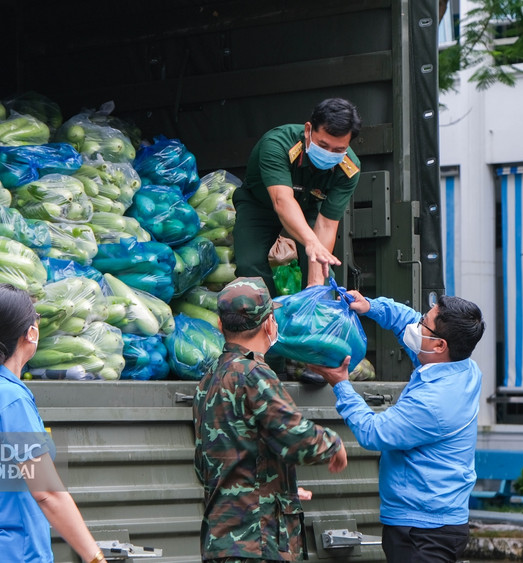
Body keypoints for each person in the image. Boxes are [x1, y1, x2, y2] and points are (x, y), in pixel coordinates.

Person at [309, 292, 485, 563]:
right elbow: (408, 322)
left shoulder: (433, 402)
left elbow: (373, 433)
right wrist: (371, 307)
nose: (416, 326)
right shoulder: (462, 368)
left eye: (423, 324)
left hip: (423, 531)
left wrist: (341, 385)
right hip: (431, 522)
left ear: (439, 345)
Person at [0, 283, 105, 563]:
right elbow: (48, 493)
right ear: (32, 332)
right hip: (14, 555)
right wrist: (95, 558)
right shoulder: (10, 400)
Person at [193, 277, 349, 562]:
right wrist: (333, 444)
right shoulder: (254, 373)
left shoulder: (209, 379)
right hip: (256, 541)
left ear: (219, 325)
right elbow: (296, 438)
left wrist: (278, 489)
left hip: (222, 540)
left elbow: (212, 463)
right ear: (269, 324)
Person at [232, 98, 362, 296]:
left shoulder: (349, 169)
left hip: (308, 208)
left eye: (338, 150)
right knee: (249, 266)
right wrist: (311, 242)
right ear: (308, 130)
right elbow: (281, 200)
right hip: (259, 205)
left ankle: (312, 318)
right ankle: (268, 319)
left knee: (323, 277)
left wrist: (315, 282)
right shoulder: (277, 144)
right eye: (323, 145)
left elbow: (326, 224)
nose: (329, 154)